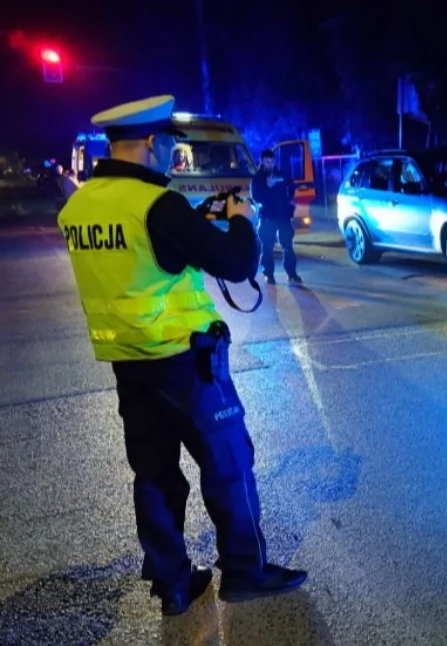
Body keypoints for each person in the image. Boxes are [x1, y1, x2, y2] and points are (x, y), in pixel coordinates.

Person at [56, 95, 307, 616]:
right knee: (230, 466)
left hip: (129, 363)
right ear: (152, 142)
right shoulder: (156, 205)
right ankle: (245, 571)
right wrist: (240, 218)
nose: (173, 150)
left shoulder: (80, 205)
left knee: (154, 475)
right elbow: (236, 265)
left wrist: (194, 221)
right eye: (170, 141)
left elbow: (145, 255)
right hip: (186, 364)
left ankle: (172, 584)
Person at [251, 149, 300, 284]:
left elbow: (290, 186)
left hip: (283, 216)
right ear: (261, 162)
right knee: (267, 247)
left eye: (272, 162)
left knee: (288, 246)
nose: (270, 164)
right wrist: (267, 186)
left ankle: (292, 273)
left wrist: (291, 199)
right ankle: (269, 274)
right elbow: (256, 197)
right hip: (267, 217)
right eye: (267, 162)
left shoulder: (280, 174)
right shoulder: (257, 178)